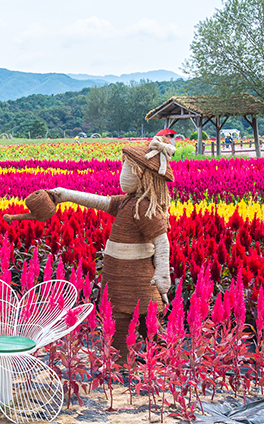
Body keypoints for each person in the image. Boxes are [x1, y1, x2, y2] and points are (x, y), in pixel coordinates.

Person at [49, 136, 176, 353]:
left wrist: (163, 273)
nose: (123, 175)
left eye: (130, 170)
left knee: (145, 316)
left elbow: (161, 240)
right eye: (124, 168)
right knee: (118, 315)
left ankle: (158, 355)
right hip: (116, 272)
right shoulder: (125, 202)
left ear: (144, 176)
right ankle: (121, 358)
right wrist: (66, 195)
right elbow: (101, 201)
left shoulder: (145, 208)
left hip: (138, 274)